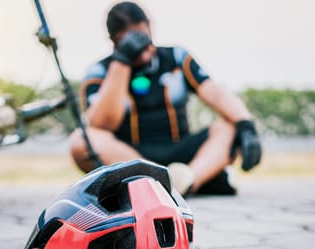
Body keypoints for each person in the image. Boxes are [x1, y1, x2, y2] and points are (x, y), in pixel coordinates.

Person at [70, 1, 261, 196]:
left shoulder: (176, 56)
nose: (143, 55)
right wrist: (123, 61)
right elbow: (103, 124)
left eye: (143, 39)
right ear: (114, 41)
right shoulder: (99, 71)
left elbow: (213, 90)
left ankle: (186, 182)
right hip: (131, 158)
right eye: (131, 44)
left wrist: (246, 125)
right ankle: (178, 183)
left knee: (230, 125)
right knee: (81, 141)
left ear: (150, 27)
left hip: (182, 153)